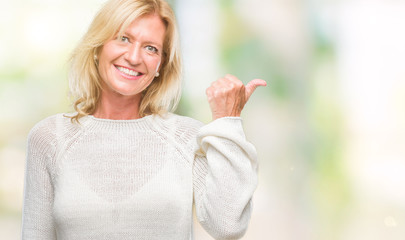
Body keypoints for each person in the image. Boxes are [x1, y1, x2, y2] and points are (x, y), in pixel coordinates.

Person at [21, 0, 266, 239]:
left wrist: (227, 121)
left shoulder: (187, 137)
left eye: (151, 48)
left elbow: (228, 226)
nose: (134, 57)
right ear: (98, 46)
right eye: (123, 38)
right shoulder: (50, 137)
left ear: (160, 64)